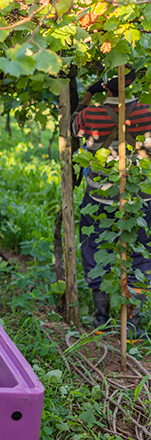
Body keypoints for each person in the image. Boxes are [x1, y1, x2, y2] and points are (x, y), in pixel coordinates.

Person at [72, 68, 151, 340]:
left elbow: (71, 126)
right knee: (141, 254)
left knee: (94, 251)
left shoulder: (89, 115)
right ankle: (133, 325)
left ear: (105, 87)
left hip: (99, 197)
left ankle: (102, 322)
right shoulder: (148, 113)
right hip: (141, 198)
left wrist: (88, 94)